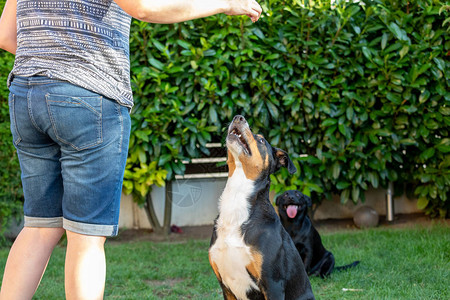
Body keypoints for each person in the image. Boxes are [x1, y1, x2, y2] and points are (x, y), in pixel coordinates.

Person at [0, 0, 262, 299]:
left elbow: (6, 35)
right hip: (88, 95)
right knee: (87, 238)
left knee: (39, 227)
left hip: (26, 94)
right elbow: (144, 7)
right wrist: (225, 3)